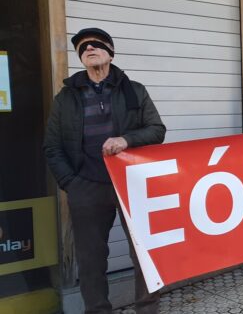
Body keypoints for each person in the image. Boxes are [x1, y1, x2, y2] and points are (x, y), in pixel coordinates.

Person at [43, 28, 165, 314]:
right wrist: (71, 183)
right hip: (86, 186)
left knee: (144, 254)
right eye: (83, 47)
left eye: (96, 44)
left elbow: (157, 130)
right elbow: (52, 146)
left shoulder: (134, 90)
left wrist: (127, 140)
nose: (89, 48)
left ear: (110, 53)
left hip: (130, 183)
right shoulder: (66, 98)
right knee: (91, 259)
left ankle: (147, 310)